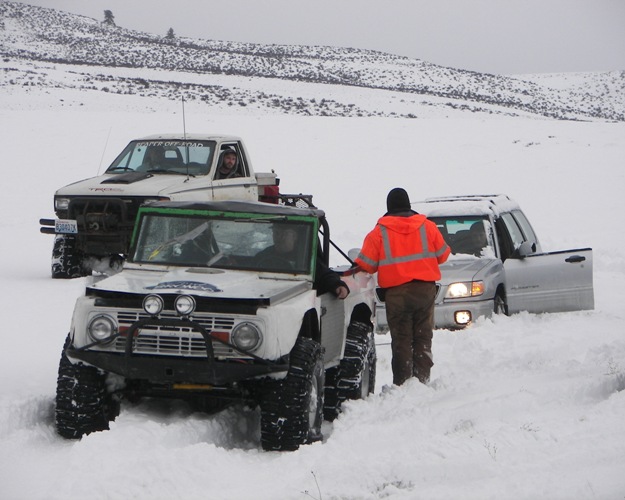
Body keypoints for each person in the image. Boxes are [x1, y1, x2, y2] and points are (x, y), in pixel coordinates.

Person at [355, 188, 450, 385]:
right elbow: (442, 255)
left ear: (389, 207)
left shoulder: (378, 233)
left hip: (397, 294)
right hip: (425, 291)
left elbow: (366, 265)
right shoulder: (428, 227)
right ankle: (422, 381)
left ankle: (403, 384)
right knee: (423, 338)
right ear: (409, 205)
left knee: (402, 340)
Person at [256, 224, 350, 299]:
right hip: (263, 297)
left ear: (294, 237)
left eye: (284, 234)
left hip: (296, 302)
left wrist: (337, 285)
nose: (278, 238)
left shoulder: (305, 258)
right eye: (276, 233)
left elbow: (325, 275)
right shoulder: (264, 255)